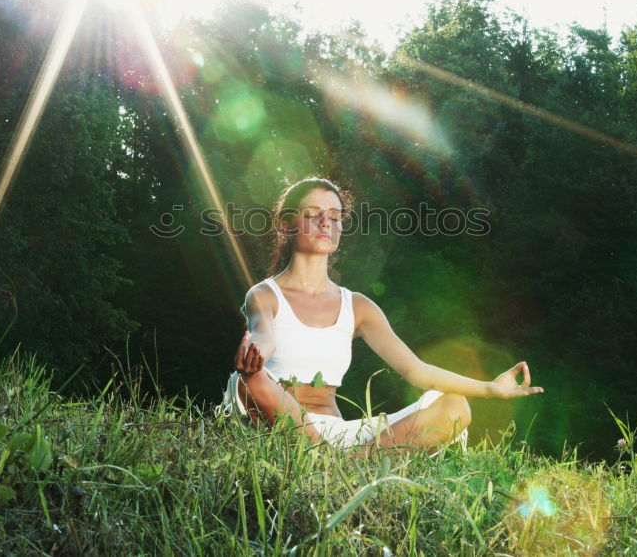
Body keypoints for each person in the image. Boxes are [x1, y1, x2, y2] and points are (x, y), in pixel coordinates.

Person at [220, 177, 543, 454]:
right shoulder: (265, 294)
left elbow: (416, 370)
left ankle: (345, 463)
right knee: (249, 379)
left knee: (454, 407)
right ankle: (340, 461)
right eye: (312, 214)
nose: (325, 223)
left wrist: (490, 388)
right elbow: (264, 336)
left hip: (339, 436)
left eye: (334, 216)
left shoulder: (358, 306)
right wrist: (256, 354)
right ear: (286, 224)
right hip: (279, 424)